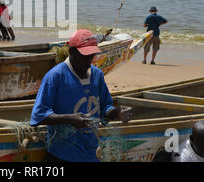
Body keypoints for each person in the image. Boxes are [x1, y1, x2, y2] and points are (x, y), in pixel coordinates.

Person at [30, 29, 133, 162]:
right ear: (72, 52)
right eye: (84, 56)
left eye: (91, 56)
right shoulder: (55, 76)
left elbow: (105, 107)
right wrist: (70, 118)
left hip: (91, 153)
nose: (88, 61)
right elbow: (39, 115)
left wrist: (117, 113)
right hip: (62, 154)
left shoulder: (97, 75)